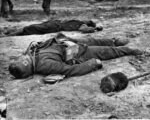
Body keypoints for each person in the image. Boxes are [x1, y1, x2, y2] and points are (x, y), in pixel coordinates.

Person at [8, 33, 143, 79]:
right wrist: (92, 64)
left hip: (65, 43)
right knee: (104, 51)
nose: (21, 57)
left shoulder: (31, 56)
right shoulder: (46, 65)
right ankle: (129, 50)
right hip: (78, 54)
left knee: (91, 39)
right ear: (26, 64)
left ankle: (114, 41)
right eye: (21, 60)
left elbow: (34, 49)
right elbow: (69, 70)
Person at [5, 19, 103, 36]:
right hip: (54, 25)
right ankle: (9, 34)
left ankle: (9, 33)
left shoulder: (81, 22)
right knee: (31, 28)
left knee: (32, 27)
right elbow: (84, 30)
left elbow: (84, 29)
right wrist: (95, 29)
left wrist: (94, 28)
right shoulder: (81, 23)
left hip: (54, 24)